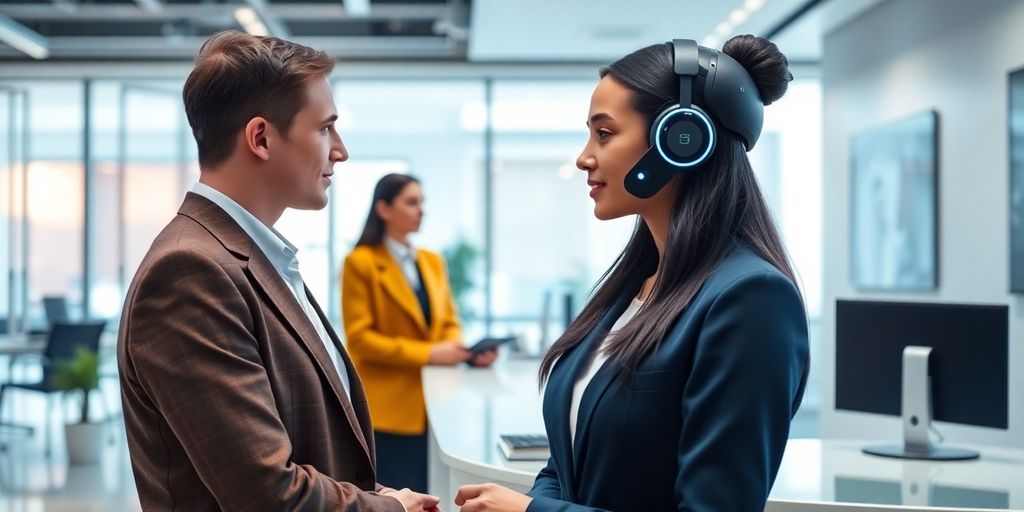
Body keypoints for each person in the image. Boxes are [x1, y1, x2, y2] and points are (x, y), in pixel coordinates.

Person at [454, 35, 810, 512]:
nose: (584, 156)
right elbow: (566, 463)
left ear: (681, 138)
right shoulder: (634, 285)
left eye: (604, 134)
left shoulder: (752, 299)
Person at [117, 31, 440, 512]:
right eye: (325, 128)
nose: (340, 150)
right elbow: (266, 493)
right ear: (261, 138)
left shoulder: (249, 255)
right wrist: (389, 509)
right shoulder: (190, 272)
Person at [342, 173, 497, 494]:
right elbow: (361, 340)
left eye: (422, 202)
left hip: (436, 405)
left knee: (431, 493)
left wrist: (463, 352)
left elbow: (449, 319)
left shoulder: (431, 261)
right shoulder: (360, 263)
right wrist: (430, 354)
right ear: (383, 209)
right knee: (397, 496)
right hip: (389, 410)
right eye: (412, 202)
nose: (421, 210)